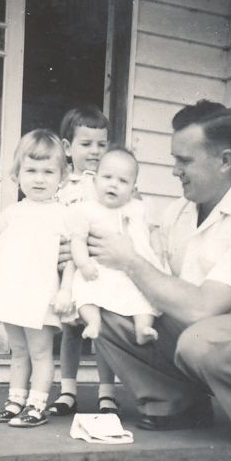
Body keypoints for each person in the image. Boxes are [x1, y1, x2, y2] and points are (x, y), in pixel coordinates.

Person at [78, 99, 231, 444]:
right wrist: (81, 254)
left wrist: (130, 260)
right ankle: (178, 403)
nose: (174, 171)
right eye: (174, 159)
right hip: (193, 324)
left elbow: (203, 307)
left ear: (225, 161)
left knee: (201, 340)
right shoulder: (177, 213)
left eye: (184, 160)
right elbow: (149, 274)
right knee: (102, 308)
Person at [0, 129, 75, 428]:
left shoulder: (63, 215)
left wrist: (66, 290)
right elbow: (4, 251)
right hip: (14, 293)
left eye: (48, 172)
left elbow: (71, 259)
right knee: (19, 350)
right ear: (17, 174)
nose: (39, 179)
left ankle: (37, 406)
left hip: (41, 294)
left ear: (62, 177)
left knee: (40, 351)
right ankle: (15, 401)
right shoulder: (12, 213)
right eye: (31, 170)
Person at [48, 104, 119, 418]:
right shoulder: (60, 186)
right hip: (69, 267)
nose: (94, 151)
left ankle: (107, 393)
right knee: (71, 329)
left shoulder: (109, 182)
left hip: (97, 267)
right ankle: (68, 391)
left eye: (101, 144)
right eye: (86, 143)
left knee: (100, 328)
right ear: (67, 147)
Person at [70, 146, 166, 345]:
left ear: (133, 188)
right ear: (95, 181)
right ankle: (93, 322)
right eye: (107, 177)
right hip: (98, 270)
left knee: (143, 299)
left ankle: (142, 328)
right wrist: (83, 264)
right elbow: (78, 240)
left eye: (123, 181)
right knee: (84, 291)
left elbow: (153, 232)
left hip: (132, 273)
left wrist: (158, 257)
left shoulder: (140, 208)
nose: (114, 184)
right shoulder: (86, 210)